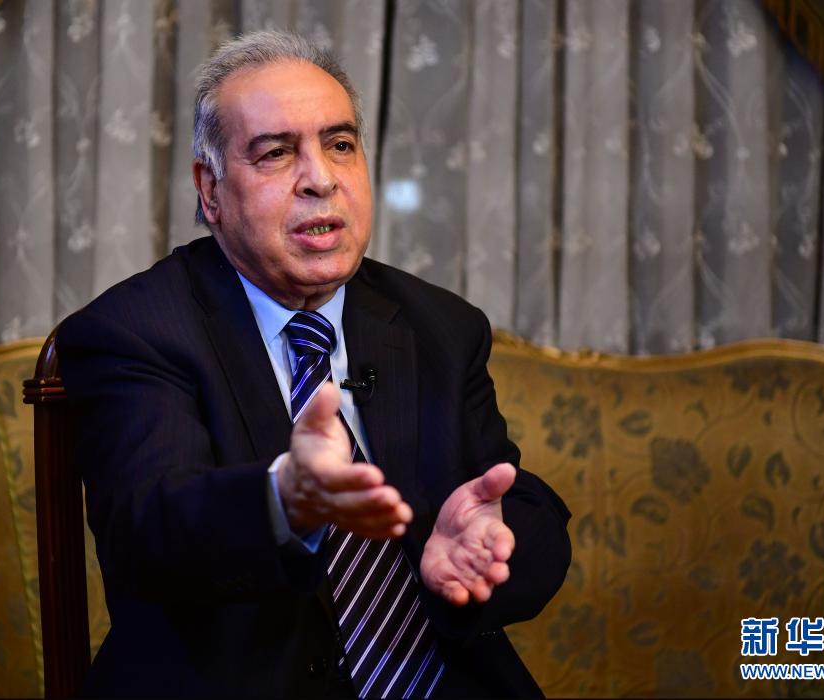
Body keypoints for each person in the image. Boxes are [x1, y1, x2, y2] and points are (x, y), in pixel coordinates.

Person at [57, 30, 571, 699]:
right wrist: (283, 502)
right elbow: (150, 532)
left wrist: (483, 549)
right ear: (210, 190)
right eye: (276, 153)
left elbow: (511, 501)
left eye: (340, 145)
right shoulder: (135, 331)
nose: (320, 179)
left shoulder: (439, 325)